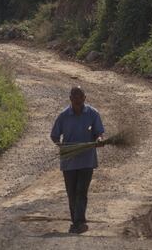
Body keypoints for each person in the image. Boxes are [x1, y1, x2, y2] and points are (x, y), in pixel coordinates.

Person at [50, 86, 105, 234]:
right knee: (72, 193)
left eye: (80, 100)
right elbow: (54, 135)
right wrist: (61, 144)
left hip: (87, 160)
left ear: (84, 99)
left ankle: (79, 221)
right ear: (70, 99)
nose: (77, 103)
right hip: (69, 161)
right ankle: (76, 221)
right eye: (75, 100)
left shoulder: (93, 114)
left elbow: (99, 133)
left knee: (81, 191)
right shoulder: (63, 116)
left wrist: (99, 140)